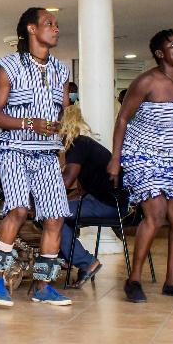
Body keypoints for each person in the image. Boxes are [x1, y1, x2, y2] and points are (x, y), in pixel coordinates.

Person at [0, 7, 73, 308]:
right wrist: (29, 123)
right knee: (19, 210)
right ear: (32, 29)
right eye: (49, 23)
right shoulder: (9, 66)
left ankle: (43, 287)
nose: (56, 28)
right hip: (13, 149)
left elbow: (63, 112)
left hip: (47, 152)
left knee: (55, 217)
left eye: (57, 25)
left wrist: (69, 124)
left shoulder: (61, 71)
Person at [108, 29, 173, 303]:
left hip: (170, 156)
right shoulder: (146, 81)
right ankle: (133, 279)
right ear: (160, 54)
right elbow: (123, 118)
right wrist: (115, 158)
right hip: (141, 153)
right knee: (156, 213)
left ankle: (171, 282)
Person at [59, 106, 128, 287]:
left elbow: (66, 181)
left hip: (108, 204)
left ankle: (86, 262)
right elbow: (81, 190)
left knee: (52, 215)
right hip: (107, 201)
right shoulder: (82, 144)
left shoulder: (76, 144)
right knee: (60, 210)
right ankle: (65, 258)